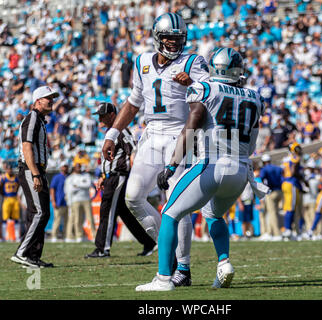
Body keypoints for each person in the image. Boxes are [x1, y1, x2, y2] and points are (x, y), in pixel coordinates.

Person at [135, 47, 268, 291]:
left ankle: (164, 278)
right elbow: (253, 140)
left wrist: (172, 163)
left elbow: (192, 124)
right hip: (239, 170)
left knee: (170, 214)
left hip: (212, 163)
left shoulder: (206, 88)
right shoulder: (255, 97)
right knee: (214, 215)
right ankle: (224, 262)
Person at [102, 13, 209, 287]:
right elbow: (133, 102)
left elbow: (213, 94)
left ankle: (182, 269)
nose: (173, 44)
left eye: (177, 39)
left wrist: (194, 85)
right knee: (133, 197)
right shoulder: (141, 62)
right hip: (150, 135)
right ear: (157, 37)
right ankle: (170, 255)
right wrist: (113, 133)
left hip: (180, 134)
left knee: (176, 203)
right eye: (168, 38)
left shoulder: (193, 61)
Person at [85, 103, 157, 258]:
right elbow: (110, 159)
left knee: (107, 211)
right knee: (126, 214)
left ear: (112, 115)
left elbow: (132, 150)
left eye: (102, 115)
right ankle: (149, 242)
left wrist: (134, 174)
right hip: (112, 177)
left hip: (118, 177)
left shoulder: (121, 131)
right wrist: (103, 176)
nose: (100, 118)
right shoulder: (112, 132)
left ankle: (102, 248)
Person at [11, 85, 59, 268]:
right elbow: (27, 147)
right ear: (37, 100)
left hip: (37, 170)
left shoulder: (39, 120)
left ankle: (32, 256)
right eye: (48, 97)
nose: (51, 101)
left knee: (42, 213)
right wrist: (36, 173)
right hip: (31, 170)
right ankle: (22, 253)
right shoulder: (32, 119)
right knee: (39, 212)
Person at [64, 163, 96, 242]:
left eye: (79, 166)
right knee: (77, 219)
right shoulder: (71, 178)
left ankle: (94, 235)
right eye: (77, 166)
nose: (78, 168)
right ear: (74, 168)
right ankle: (79, 236)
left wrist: (77, 185)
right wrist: (81, 185)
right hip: (76, 200)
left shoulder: (86, 175)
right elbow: (70, 189)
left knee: (90, 218)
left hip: (86, 199)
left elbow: (88, 185)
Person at [281, 142, 306, 240]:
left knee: (288, 207)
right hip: (292, 183)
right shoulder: (295, 158)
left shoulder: (285, 159)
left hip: (285, 183)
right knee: (291, 208)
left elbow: (283, 172)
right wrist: (302, 178)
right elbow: (292, 172)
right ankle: (288, 230)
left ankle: (288, 230)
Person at [258, 154, 283, 240]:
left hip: (271, 192)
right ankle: (270, 232)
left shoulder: (264, 169)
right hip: (280, 191)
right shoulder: (278, 168)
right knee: (275, 213)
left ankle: (276, 234)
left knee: (272, 213)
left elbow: (262, 179)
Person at [0, 162, 20, 242]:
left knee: (16, 218)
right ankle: (5, 236)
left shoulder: (16, 178)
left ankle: (16, 236)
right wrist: (3, 195)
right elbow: (0, 188)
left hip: (14, 199)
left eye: (10, 169)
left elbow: (19, 187)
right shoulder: (4, 178)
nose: (10, 170)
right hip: (7, 199)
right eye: (8, 169)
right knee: (5, 218)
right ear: (6, 170)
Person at [49, 161, 69, 242]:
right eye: (64, 166)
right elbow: (52, 189)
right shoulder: (57, 177)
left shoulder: (69, 177)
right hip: (59, 202)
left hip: (67, 202)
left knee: (67, 221)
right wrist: (53, 201)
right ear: (61, 167)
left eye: (66, 166)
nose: (65, 168)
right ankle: (54, 235)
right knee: (57, 220)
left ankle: (66, 236)